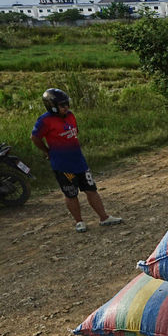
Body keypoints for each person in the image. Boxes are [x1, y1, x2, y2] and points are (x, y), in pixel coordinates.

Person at [31, 88, 122, 233]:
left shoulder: (70, 115)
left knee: (91, 190)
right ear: (52, 106)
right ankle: (79, 221)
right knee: (71, 194)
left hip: (79, 161)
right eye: (62, 105)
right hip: (63, 165)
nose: (66, 107)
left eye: (67, 104)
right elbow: (35, 137)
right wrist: (47, 151)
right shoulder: (44, 121)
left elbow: (75, 133)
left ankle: (104, 217)